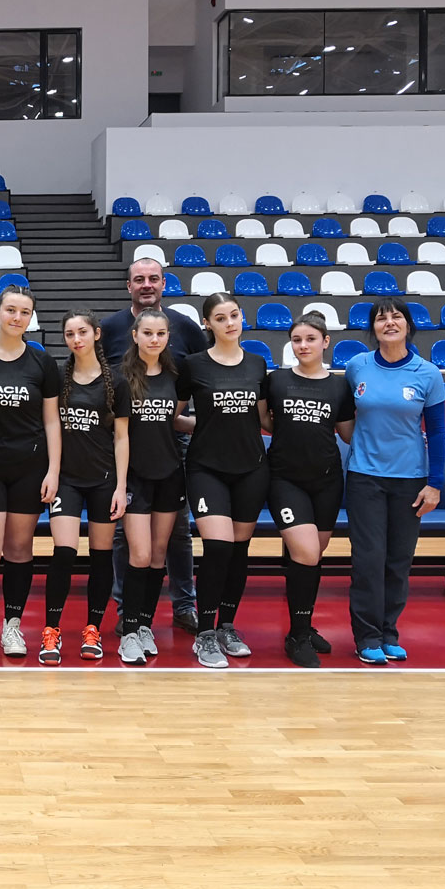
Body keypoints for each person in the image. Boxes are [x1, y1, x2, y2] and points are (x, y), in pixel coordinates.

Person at [101, 256, 207, 634]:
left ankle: (183, 604)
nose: (147, 285)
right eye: (139, 279)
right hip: (125, 446)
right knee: (123, 536)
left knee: (177, 532)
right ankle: (125, 610)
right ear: (128, 285)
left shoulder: (186, 328)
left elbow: (200, 377)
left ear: (164, 284)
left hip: (170, 441)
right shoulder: (110, 328)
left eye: (154, 279)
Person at [344, 297, 445, 665]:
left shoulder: (428, 373)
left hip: (411, 481)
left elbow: (436, 432)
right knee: (368, 559)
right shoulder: (357, 367)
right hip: (365, 478)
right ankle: (366, 636)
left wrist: (435, 484)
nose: (389, 323)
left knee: (398, 561)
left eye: (396, 317)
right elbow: (344, 418)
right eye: (381, 318)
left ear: (408, 325)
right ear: (372, 328)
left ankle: (389, 632)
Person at [0, 286, 61, 660]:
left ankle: (12, 626)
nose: (17, 317)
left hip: (29, 468)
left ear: (30, 317)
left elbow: (51, 421)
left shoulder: (42, 363)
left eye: (24, 312)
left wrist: (53, 469)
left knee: (19, 550)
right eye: (10, 310)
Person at [174, 292, 268, 669]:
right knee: (218, 547)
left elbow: (263, 419)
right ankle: (205, 634)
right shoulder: (193, 365)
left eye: (234, 315)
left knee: (239, 550)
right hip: (206, 468)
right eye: (220, 317)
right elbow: (174, 416)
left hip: (251, 468)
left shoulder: (258, 364)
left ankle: (228, 625)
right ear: (207, 325)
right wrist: (204, 424)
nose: (230, 322)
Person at [262, 313, 355, 668]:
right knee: (306, 552)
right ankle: (297, 637)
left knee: (311, 557)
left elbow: (348, 434)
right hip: (285, 479)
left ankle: (304, 623)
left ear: (325, 342)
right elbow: (266, 421)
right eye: (297, 340)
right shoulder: (277, 380)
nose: (303, 346)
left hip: (328, 481)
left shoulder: (339, 386)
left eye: (310, 339)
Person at [44, 309, 129, 665]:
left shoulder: (117, 382)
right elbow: (51, 426)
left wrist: (121, 485)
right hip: (66, 479)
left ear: (96, 334)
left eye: (82, 332)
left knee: (100, 556)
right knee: (64, 552)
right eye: (69, 334)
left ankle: (92, 628)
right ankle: (51, 631)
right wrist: (52, 471)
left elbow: (122, 437)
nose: (76, 339)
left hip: (103, 480)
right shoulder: (57, 378)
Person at [117, 307, 191, 665]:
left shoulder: (176, 376)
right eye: (148, 333)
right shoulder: (121, 378)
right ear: (135, 336)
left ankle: (144, 624)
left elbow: (175, 421)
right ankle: (128, 630)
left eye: (161, 334)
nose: (154, 339)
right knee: (140, 555)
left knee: (159, 555)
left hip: (170, 473)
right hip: (134, 476)